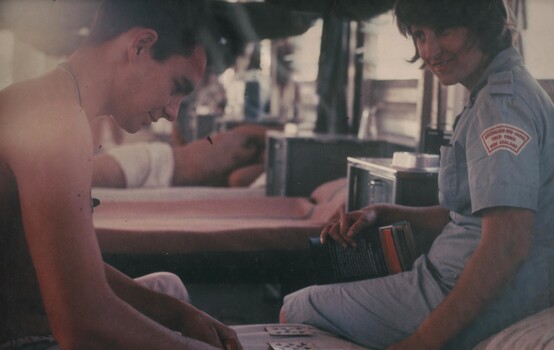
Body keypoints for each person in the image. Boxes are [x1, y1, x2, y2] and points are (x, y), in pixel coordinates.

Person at [280, 0, 554, 349]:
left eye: (443, 30)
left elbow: (507, 245)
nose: (430, 50)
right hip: (446, 278)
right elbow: (474, 217)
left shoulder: (500, 107)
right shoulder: (497, 92)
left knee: (299, 309)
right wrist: (386, 213)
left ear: (484, 25)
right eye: (420, 35)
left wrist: (421, 341)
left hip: (461, 292)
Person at [0, 0, 243, 349]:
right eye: (177, 86)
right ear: (140, 46)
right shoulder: (55, 120)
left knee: (169, 289)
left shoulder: (50, 103)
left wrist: (178, 314)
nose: (174, 113)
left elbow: (75, 275)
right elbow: (81, 322)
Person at [92, 124, 268, 188]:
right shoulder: (245, 139)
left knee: (79, 177)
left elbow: (238, 179)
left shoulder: (245, 149)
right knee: (79, 176)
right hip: (157, 162)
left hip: (156, 163)